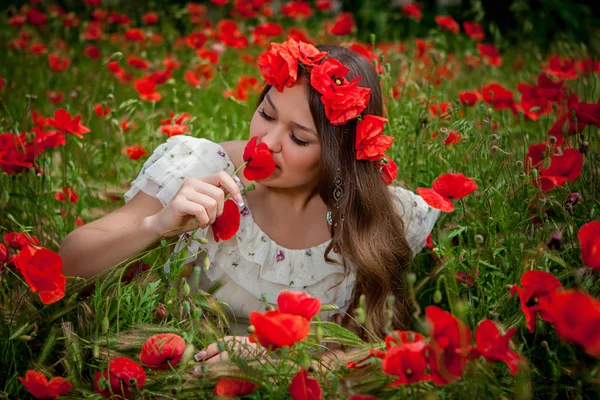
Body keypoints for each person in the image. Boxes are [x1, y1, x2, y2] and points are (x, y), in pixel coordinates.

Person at [58, 40, 440, 353]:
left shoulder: (377, 219)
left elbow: (374, 353)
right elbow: (68, 262)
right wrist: (155, 226)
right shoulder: (199, 169)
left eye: (299, 138)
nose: (267, 142)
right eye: (267, 114)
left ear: (340, 156)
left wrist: (274, 362)